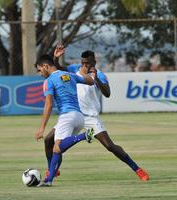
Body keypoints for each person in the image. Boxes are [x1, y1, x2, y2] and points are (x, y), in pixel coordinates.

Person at [43, 47, 149, 181]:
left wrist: (96, 77)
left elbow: (107, 93)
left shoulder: (100, 75)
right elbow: (58, 69)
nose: (84, 66)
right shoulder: (75, 69)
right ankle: (51, 170)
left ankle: (137, 169)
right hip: (74, 114)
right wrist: (56, 58)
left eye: (87, 63)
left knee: (110, 146)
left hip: (90, 117)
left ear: (94, 62)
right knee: (49, 140)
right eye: (83, 63)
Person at [35, 54, 95, 187]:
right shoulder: (69, 75)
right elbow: (91, 82)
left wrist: (41, 128)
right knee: (57, 149)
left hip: (67, 116)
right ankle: (49, 180)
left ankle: (85, 136)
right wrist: (84, 73)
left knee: (57, 147)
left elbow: (49, 105)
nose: (40, 73)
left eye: (40, 70)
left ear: (46, 66)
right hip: (79, 117)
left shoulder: (49, 81)